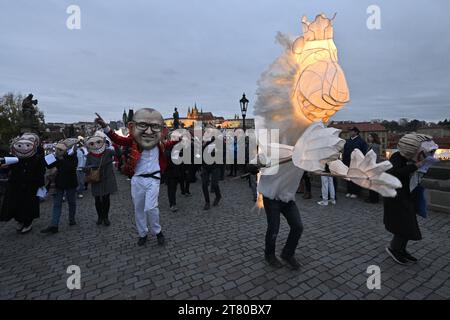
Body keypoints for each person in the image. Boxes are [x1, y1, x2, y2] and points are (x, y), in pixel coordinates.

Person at [95, 109, 178, 246]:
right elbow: (117, 139)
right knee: (139, 208)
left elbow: (169, 144)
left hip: (153, 178)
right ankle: (142, 233)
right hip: (138, 179)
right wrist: (105, 126)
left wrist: (181, 139)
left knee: (151, 207)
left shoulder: (158, 141)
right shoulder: (134, 139)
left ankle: (158, 232)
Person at [384, 133, 437, 265]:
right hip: (396, 198)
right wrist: (416, 166)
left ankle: (401, 249)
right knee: (403, 225)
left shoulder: (410, 158)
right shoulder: (396, 157)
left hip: (406, 196)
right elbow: (396, 172)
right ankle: (394, 249)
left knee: (408, 225)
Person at [0, 134, 45, 234]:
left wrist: (40, 184)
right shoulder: (14, 157)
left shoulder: (37, 157)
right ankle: (19, 220)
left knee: (29, 204)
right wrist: (5, 167)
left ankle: (28, 222)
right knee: (16, 203)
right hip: (16, 184)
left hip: (31, 185)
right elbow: (8, 167)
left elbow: (41, 171)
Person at [41, 140, 78, 234]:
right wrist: (48, 157)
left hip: (70, 183)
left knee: (71, 202)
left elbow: (71, 168)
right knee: (57, 205)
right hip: (59, 184)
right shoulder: (57, 157)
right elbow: (48, 165)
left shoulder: (73, 156)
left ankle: (71, 219)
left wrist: (61, 159)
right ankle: (54, 225)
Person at [85, 135, 118, 226]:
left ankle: (106, 217)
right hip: (96, 179)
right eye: (92, 143)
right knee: (97, 199)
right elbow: (87, 166)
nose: (95, 145)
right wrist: (89, 168)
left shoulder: (108, 152)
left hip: (107, 178)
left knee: (106, 198)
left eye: (98, 142)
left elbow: (118, 154)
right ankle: (100, 217)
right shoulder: (89, 155)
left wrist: (116, 144)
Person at [342, 127, 367, 198]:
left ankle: (356, 192)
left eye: (351, 131)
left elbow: (364, 153)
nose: (350, 133)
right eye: (349, 131)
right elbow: (345, 152)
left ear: (356, 132)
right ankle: (349, 191)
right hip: (347, 161)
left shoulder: (361, 141)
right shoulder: (347, 141)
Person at [201, 135, 222, 210]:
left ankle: (218, 196)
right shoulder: (203, 143)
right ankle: (207, 202)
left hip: (215, 166)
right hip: (205, 166)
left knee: (214, 183)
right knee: (204, 184)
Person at [365, 133, 381, 203]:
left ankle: (373, 199)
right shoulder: (372, 145)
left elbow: (375, 157)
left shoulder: (374, 146)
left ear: (374, 138)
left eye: (370, 137)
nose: (368, 138)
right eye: (368, 136)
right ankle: (372, 198)